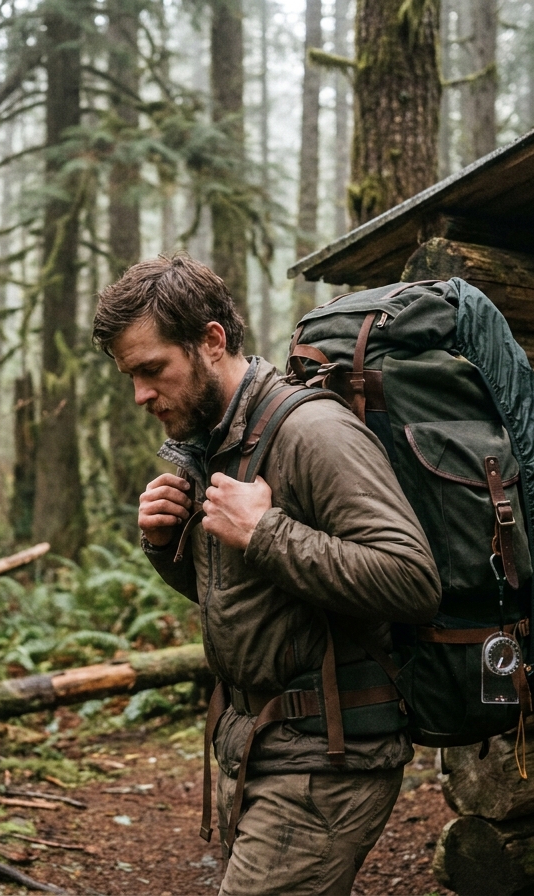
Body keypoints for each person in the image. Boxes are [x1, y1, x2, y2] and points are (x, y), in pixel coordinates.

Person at [92, 255, 442, 896]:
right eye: (130, 376)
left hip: (325, 759)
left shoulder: (313, 432)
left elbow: (412, 579)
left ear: (211, 341)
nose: (140, 395)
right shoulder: (220, 440)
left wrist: (265, 532)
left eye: (151, 370)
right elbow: (247, 600)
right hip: (259, 748)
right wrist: (167, 547)